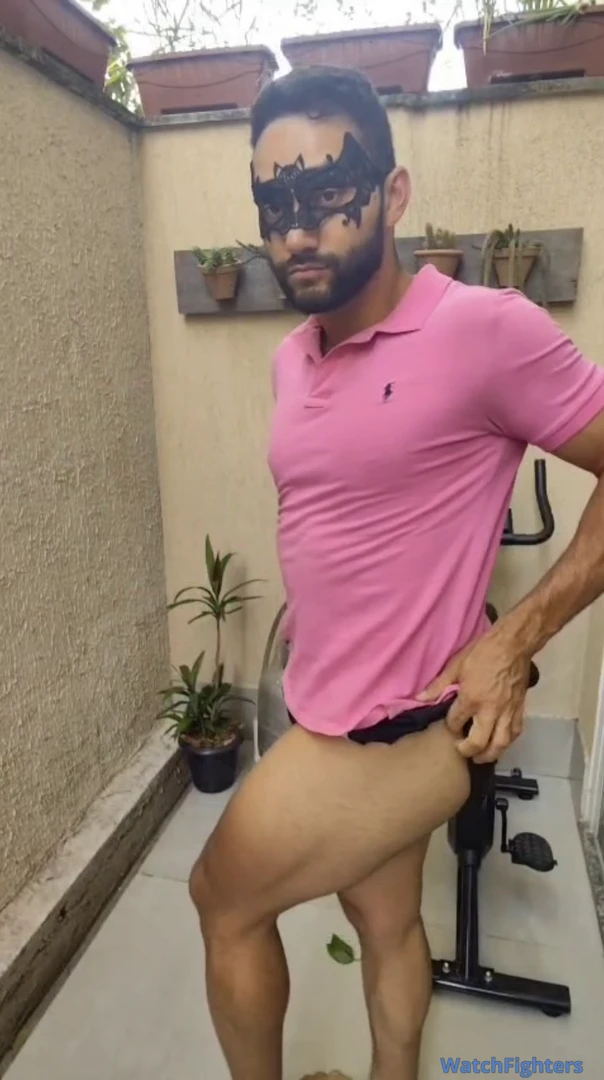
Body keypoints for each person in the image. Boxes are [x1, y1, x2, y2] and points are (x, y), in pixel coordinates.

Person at [189, 67, 604, 1080]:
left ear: (393, 193)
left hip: (399, 730)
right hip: (323, 700)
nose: (299, 230)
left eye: (329, 194)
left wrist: (515, 639)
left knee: (222, 898)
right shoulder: (293, 357)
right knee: (385, 923)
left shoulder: (484, 330)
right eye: (276, 206)